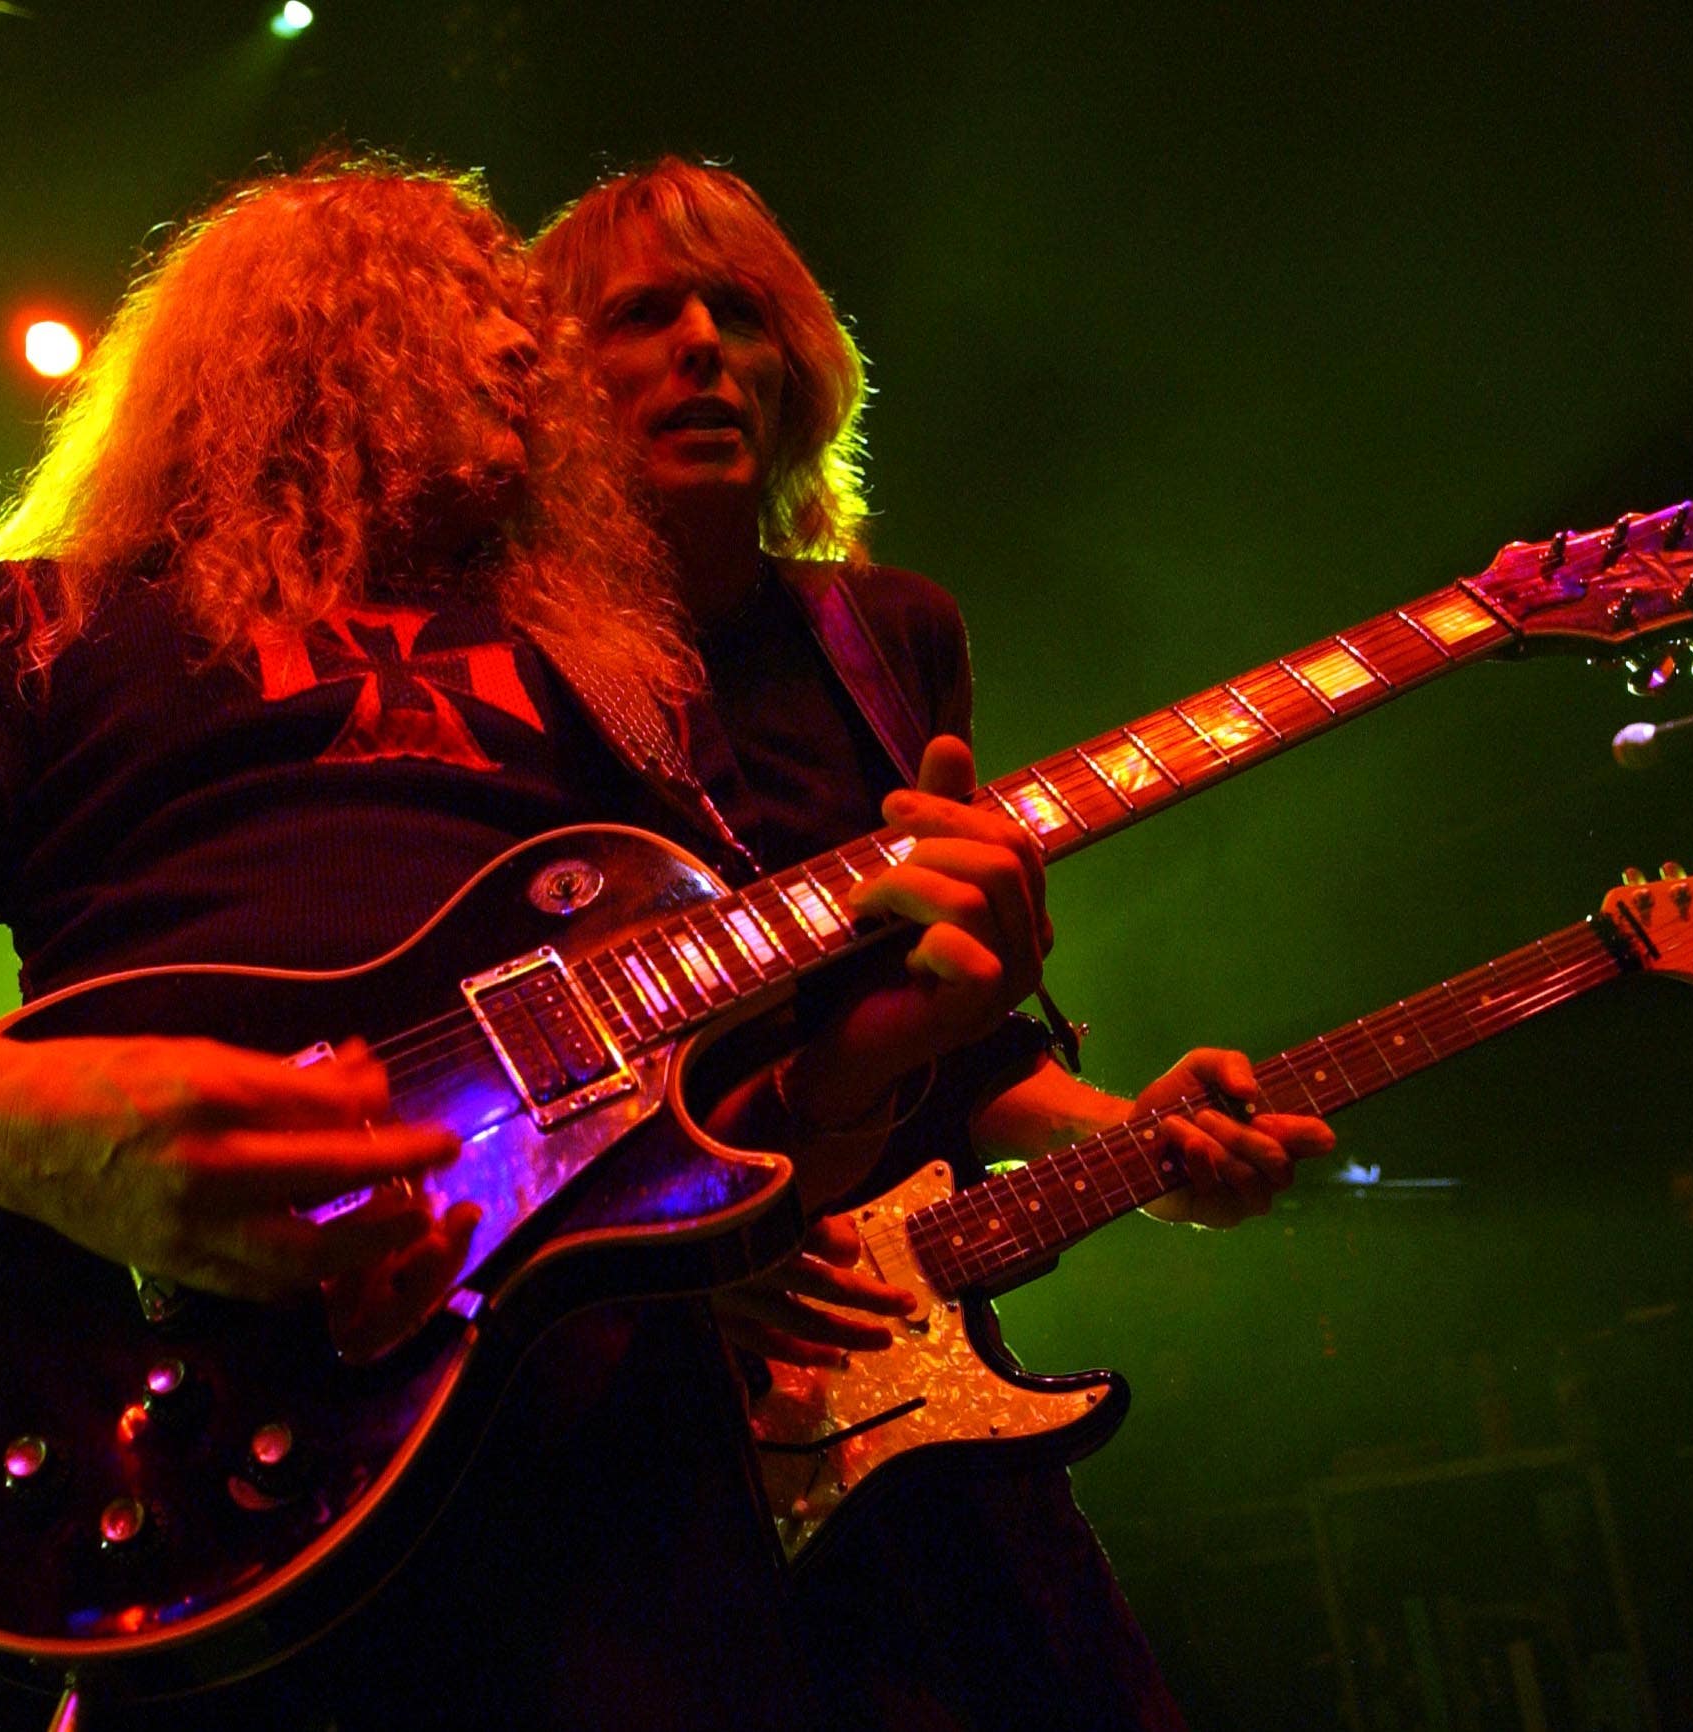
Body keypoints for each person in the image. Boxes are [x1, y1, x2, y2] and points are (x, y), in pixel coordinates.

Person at [0, 159, 1084, 1731]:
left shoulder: (626, 680)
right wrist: (36, 1137)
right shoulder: (50, 625)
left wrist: (867, 1069)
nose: (526, 360)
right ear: (319, 347)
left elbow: (723, 1164)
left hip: (594, 1477)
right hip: (126, 1426)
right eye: (474, 318)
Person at [532, 157, 1337, 1729]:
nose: (707, 345)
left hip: (904, 1410)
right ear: (544, 381)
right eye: (643, 315)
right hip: (603, 1414)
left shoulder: (884, 637)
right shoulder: (492, 672)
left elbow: (946, 1053)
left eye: (745, 314)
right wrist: (685, 1241)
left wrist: (1136, 1137)